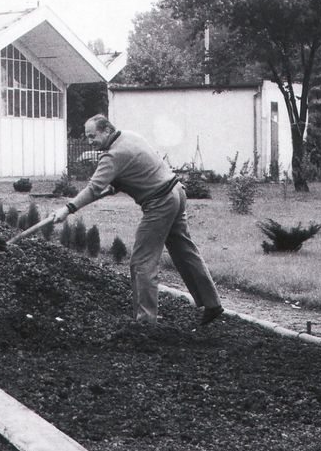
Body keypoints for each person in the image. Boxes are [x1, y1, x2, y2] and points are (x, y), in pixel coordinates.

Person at [53, 114, 224, 326]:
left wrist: (67, 208)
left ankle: (145, 322)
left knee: (142, 260)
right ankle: (212, 302)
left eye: (92, 136)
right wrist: (118, 184)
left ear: (107, 130)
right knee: (183, 249)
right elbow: (139, 167)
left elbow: (93, 188)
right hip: (176, 192)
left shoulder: (113, 155)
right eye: (87, 137)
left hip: (159, 202)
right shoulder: (129, 136)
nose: (90, 142)